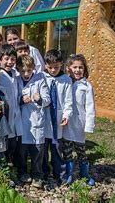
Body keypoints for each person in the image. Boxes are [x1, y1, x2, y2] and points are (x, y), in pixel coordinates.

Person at [16, 55, 50, 188]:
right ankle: (23, 172)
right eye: (23, 71)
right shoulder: (16, 80)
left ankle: (37, 175)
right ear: (18, 69)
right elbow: (13, 97)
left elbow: (48, 100)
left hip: (36, 119)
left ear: (33, 69)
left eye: (29, 71)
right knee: (22, 150)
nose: (26, 74)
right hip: (22, 121)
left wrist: (39, 98)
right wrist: (21, 99)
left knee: (37, 150)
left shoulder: (40, 80)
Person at [63, 54, 96, 186]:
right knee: (66, 150)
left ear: (84, 69)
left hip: (79, 124)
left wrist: (89, 125)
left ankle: (84, 173)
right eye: (74, 67)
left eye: (80, 67)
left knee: (81, 150)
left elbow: (90, 107)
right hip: (66, 123)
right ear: (68, 68)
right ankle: (68, 174)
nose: (77, 70)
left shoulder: (86, 86)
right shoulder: (65, 82)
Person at [41, 49, 73, 184]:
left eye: (56, 67)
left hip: (58, 121)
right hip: (43, 119)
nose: (53, 70)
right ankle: (43, 172)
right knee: (42, 150)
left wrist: (66, 115)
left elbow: (68, 101)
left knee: (56, 149)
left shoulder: (66, 80)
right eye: (50, 67)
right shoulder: (41, 77)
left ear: (61, 64)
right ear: (45, 65)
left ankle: (60, 174)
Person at [0, 45, 21, 171]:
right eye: (6, 59)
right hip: (2, 114)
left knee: (12, 144)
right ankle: (1, 171)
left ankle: (9, 169)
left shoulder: (15, 74)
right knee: (2, 144)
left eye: (12, 59)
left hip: (14, 115)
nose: (9, 62)